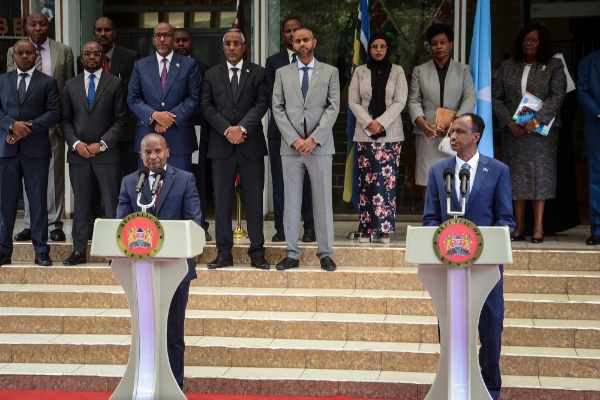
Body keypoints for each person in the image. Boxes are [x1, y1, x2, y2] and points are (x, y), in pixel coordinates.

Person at [422, 113, 515, 400]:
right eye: (451, 131)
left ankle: (490, 389)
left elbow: (506, 221)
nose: (452, 136)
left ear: (475, 137)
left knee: (491, 325)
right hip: (449, 270)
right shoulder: (439, 172)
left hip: (485, 267)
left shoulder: (498, 170)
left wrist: (479, 246)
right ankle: (453, 384)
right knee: (450, 327)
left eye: (459, 132)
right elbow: (429, 221)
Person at [116, 133, 201, 389]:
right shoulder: (131, 182)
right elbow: (121, 225)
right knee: (146, 333)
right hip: (140, 270)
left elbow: (194, 223)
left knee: (173, 333)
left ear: (167, 152)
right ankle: (145, 384)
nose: (153, 157)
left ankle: (173, 385)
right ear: (140, 155)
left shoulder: (185, 179)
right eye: (147, 152)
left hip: (175, 269)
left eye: (157, 151)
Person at [272, 28, 340, 272]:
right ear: (292, 43)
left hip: (319, 147)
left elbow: (333, 108)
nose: (301, 43)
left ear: (314, 41)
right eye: (297, 40)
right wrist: (294, 139)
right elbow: (277, 108)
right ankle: (291, 253)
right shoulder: (282, 73)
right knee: (291, 202)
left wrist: (313, 139)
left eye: (305, 39)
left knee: (322, 201)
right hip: (291, 149)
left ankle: (326, 253)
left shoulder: (330, 72)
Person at [201, 28, 269, 270]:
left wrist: (242, 128)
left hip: (250, 146)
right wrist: (227, 130)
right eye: (227, 43)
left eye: (236, 43)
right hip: (221, 146)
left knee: (253, 200)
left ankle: (257, 252)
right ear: (223, 47)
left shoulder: (258, 73)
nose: (231, 47)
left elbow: (262, 104)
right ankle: (223, 253)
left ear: (243, 47)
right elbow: (206, 106)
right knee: (221, 201)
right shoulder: (211, 74)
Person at [492, 22, 566, 243]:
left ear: (541, 42)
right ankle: (518, 226)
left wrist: (537, 120)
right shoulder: (508, 65)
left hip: (541, 131)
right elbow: (496, 98)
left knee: (540, 176)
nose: (529, 44)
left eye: (533, 40)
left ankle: (538, 227)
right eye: (525, 40)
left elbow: (557, 96)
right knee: (516, 178)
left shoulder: (554, 65)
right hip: (514, 131)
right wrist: (508, 121)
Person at [8, 11, 75, 243]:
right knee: (29, 177)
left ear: (49, 26)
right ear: (26, 27)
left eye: (42, 24)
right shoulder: (14, 51)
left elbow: (68, 89)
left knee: (53, 176)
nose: (38, 28)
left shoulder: (64, 51)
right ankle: (29, 223)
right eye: (33, 24)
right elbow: (11, 88)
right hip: (22, 129)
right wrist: (16, 125)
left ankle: (54, 223)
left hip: (51, 124)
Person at [61, 42, 127, 265]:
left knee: (111, 204)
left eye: (96, 54)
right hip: (79, 155)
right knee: (80, 205)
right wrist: (77, 144)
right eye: (87, 54)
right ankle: (79, 251)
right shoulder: (70, 85)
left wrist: (103, 144)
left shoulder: (115, 83)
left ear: (102, 58)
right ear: (81, 58)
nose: (91, 57)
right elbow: (65, 120)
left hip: (107, 155)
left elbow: (121, 121)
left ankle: (113, 252)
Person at [0, 40, 61, 266]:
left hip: (36, 152)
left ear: (36, 55)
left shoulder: (48, 82)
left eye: (29, 52)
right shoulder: (2, 81)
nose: (24, 56)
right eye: (20, 53)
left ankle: (41, 250)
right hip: (6, 151)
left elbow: (54, 112)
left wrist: (26, 128)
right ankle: (3, 250)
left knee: (37, 202)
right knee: (4, 203)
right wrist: (11, 125)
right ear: (13, 56)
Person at [265, 17, 325, 243]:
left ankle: (310, 227)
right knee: (281, 183)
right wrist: (293, 131)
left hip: (312, 136)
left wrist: (309, 133)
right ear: (284, 36)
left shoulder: (321, 61)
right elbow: (274, 98)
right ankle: (281, 228)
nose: (292, 35)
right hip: (280, 133)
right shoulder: (273, 62)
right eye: (288, 32)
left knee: (309, 183)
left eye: (296, 31)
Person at [348, 32, 408, 244]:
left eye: (383, 46)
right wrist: (369, 123)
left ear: (388, 49)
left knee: (387, 184)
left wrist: (380, 122)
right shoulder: (360, 71)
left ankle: (384, 229)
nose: (379, 50)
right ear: (370, 49)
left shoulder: (398, 72)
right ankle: (365, 228)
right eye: (375, 46)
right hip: (365, 134)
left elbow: (400, 101)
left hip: (391, 135)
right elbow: (353, 100)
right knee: (366, 184)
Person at [407, 23, 476, 199]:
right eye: (434, 43)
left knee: (455, 176)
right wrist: (422, 122)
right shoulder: (419, 71)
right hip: (428, 131)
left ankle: (452, 222)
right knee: (427, 178)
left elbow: (470, 97)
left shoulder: (463, 70)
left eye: (443, 42)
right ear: (430, 47)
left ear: (450, 44)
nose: (438, 46)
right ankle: (430, 222)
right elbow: (414, 100)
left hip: (456, 132)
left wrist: (456, 125)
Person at [128, 22, 201, 172]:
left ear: (173, 39)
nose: (162, 39)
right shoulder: (140, 65)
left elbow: (194, 98)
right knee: (148, 189)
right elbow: (133, 98)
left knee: (179, 189)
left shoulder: (189, 65)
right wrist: (154, 115)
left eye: (166, 35)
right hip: (148, 138)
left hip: (179, 139)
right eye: (158, 35)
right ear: (153, 40)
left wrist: (169, 119)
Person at [77, 17, 141, 177]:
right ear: (94, 33)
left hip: (125, 132)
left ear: (114, 33)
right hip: (95, 135)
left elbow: (136, 93)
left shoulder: (131, 57)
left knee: (127, 179)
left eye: (107, 30)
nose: (103, 33)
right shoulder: (83, 61)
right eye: (99, 30)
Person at [173, 28, 212, 242]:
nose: (180, 44)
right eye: (176, 40)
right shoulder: (162, 69)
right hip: (165, 132)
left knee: (196, 179)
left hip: (194, 130)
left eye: (184, 40)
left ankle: (200, 224)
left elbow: (203, 102)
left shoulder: (203, 69)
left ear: (192, 44)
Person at [578, 48, 600, 245]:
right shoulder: (587, 62)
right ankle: (598, 229)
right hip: (597, 127)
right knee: (596, 181)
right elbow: (583, 92)